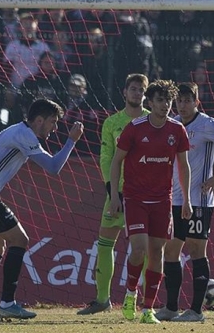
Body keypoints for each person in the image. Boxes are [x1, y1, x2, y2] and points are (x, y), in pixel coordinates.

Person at [0, 99, 83, 322]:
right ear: (39, 120)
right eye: (53, 122)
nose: (55, 128)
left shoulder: (19, 131)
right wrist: (71, 141)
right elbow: (53, 168)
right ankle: (7, 304)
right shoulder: (24, 135)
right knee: (20, 240)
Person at [157, 83, 214, 322]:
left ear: (197, 101)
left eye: (188, 100)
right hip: (175, 198)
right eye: (180, 101)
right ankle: (171, 307)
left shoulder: (207, 124)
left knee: (196, 250)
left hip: (200, 201)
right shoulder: (172, 124)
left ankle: (196, 311)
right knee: (171, 250)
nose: (183, 105)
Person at [107, 80, 191, 324]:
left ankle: (148, 309)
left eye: (168, 100)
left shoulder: (177, 130)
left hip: (162, 200)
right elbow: (116, 161)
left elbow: (183, 166)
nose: (165, 105)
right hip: (135, 198)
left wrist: (186, 200)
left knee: (157, 252)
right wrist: (115, 195)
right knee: (139, 250)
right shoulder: (135, 128)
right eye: (159, 100)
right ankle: (131, 293)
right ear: (150, 102)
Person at [77, 74, 149, 315]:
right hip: (117, 193)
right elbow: (106, 159)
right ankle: (102, 299)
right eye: (133, 89)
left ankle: (148, 303)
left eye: (141, 90)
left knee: (145, 249)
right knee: (105, 244)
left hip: (144, 195)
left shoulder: (153, 119)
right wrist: (112, 191)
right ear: (125, 92)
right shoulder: (111, 123)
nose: (137, 93)